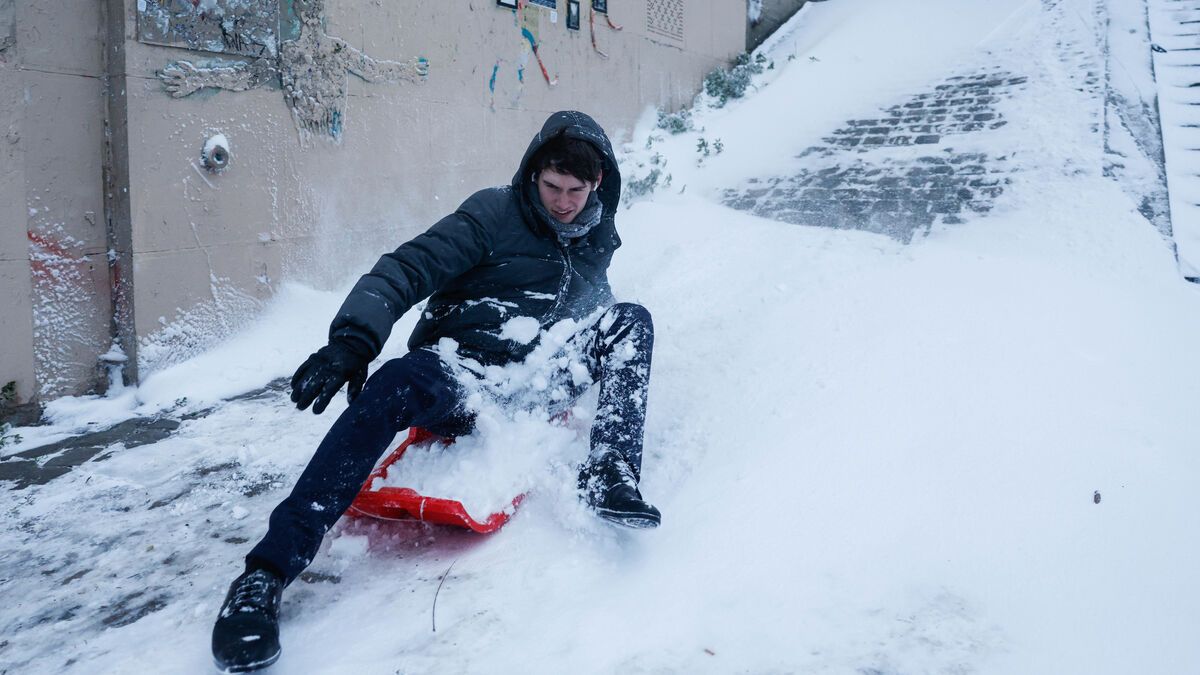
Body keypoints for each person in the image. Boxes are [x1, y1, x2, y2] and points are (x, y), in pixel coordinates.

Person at [211, 111, 659, 673]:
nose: (563, 203)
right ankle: (265, 575)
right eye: (552, 187)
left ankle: (610, 473)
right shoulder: (493, 214)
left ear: (598, 183)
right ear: (533, 173)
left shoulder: (596, 234)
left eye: (576, 190)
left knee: (630, 321)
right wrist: (353, 341)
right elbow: (407, 268)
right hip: (461, 374)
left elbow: (591, 305)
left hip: (538, 381)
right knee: (394, 381)